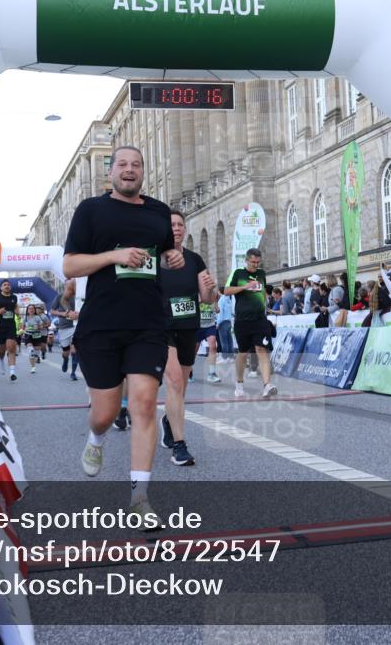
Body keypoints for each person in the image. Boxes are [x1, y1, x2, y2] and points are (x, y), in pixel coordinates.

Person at [63, 145, 183, 525]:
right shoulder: (90, 210)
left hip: (148, 323)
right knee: (105, 413)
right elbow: (70, 265)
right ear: (111, 171)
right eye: (122, 164)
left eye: (136, 165)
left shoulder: (159, 211)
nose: (129, 170)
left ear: (143, 171)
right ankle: (96, 438)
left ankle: (139, 498)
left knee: (144, 404)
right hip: (101, 324)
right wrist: (113, 256)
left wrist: (173, 258)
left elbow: (165, 254)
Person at [158, 209, 217, 466]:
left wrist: (210, 290)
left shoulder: (194, 260)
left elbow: (207, 299)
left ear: (185, 229)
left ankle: (168, 420)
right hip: (162, 327)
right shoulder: (155, 258)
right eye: (171, 225)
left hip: (188, 326)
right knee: (173, 381)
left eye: (180, 224)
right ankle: (179, 446)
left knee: (180, 386)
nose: (176, 228)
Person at [226, 248, 277, 398]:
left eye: (258, 262)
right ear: (247, 260)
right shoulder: (238, 273)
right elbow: (226, 291)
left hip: (260, 320)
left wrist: (265, 306)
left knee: (262, 349)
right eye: (253, 262)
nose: (255, 265)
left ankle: (267, 385)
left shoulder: (261, 274)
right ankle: (239, 382)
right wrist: (244, 287)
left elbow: (262, 293)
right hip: (242, 320)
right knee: (243, 353)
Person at [51, 280, 81, 380]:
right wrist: (63, 314)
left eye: (72, 284)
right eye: (68, 284)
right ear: (65, 286)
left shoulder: (79, 296)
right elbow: (52, 311)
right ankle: (65, 360)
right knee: (66, 352)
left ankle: (73, 373)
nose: (70, 286)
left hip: (77, 325)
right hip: (64, 327)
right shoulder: (60, 297)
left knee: (74, 350)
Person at [22, 304, 45, 374]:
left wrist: (38, 327)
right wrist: (23, 331)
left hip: (36, 335)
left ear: (34, 310)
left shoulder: (37, 317)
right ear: (27, 310)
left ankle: (35, 358)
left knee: (36, 353)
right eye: (29, 309)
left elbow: (42, 326)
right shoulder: (25, 318)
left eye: (32, 309)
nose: (31, 310)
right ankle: (33, 367)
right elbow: (22, 327)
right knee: (31, 351)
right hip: (28, 335)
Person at [216, 285, 235, 363]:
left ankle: (225, 357)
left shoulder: (221, 300)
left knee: (223, 341)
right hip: (229, 321)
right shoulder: (228, 299)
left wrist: (218, 323)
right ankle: (231, 357)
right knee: (229, 340)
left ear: (219, 292)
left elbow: (220, 313)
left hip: (222, 321)